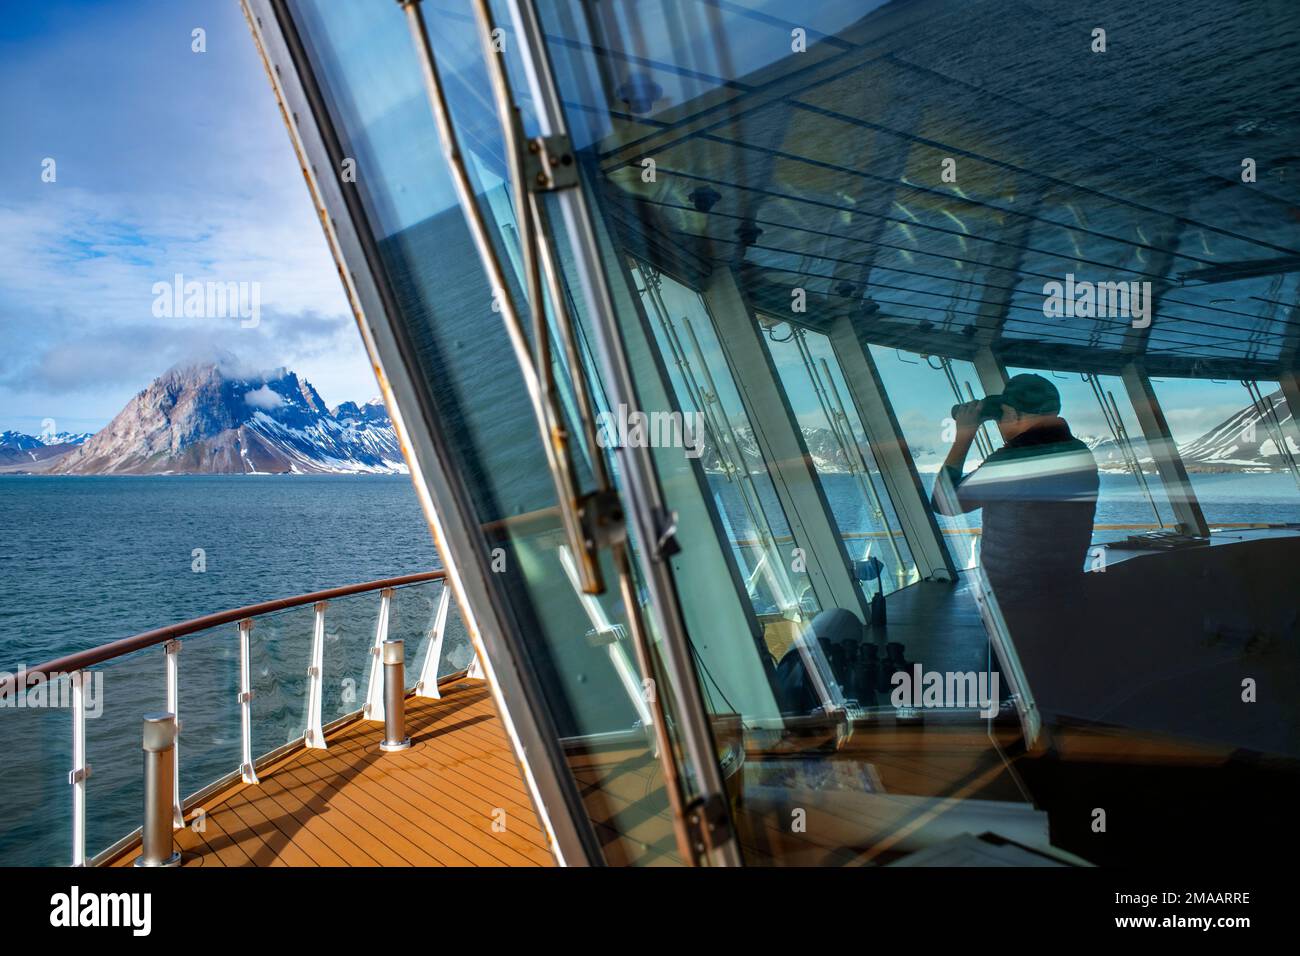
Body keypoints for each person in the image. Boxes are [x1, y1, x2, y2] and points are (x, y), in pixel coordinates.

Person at [933, 374, 1100, 694]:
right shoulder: (1079, 452)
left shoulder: (1013, 461)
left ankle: (1009, 740)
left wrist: (963, 438)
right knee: (1054, 686)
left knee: (1009, 694)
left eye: (1002, 414)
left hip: (1014, 602)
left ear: (1016, 415)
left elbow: (944, 502)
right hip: (1064, 593)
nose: (998, 423)